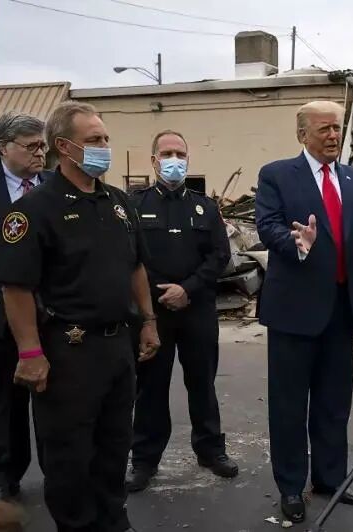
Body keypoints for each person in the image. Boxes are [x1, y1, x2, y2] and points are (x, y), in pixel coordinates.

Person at [0, 100, 160, 532]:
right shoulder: (33, 210)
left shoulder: (118, 202)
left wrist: (148, 321)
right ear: (64, 147)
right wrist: (30, 352)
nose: (104, 147)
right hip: (67, 351)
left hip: (118, 347)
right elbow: (16, 288)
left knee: (114, 447)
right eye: (94, 140)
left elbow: (136, 267)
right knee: (69, 457)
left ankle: (114, 521)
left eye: (105, 138)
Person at [255, 101, 353, 523]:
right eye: (324, 129)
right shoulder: (277, 175)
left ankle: (330, 479)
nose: (332, 135)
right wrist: (296, 242)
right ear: (302, 134)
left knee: (333, 403)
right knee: (289, 406)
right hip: (294, 311)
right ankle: (292, 487)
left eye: (336, 129)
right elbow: (267, 226)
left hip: (342, 311)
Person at [126, 130, 235, 492]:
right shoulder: (135, 205)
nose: (174, 160)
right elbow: (130, 258)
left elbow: (219, 256)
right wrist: (163, 293)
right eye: (167, 153)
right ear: (153, 161)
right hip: (152, 314)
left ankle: (210, 450)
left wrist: (187, 289)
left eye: (180, 154)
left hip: (196, 310)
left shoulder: (206, 207)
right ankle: (144, 459)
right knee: (150, 388)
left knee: (202, 383)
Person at [0, 112, 50, 499]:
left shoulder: (54, 188)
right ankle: (8, 472)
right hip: (0, 314)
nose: (40, 154)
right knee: (6, 399)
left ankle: (56, 470)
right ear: (3, 148)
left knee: (53, 398)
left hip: (51, 313)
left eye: (43, 146)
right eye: (31, 147)